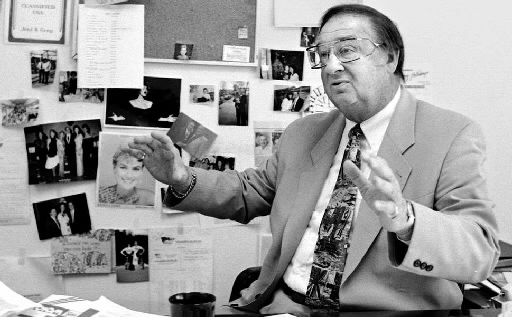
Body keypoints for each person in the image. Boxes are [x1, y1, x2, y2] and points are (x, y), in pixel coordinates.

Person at [128, 3, 499, 314]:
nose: (333, 65)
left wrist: (406, 220)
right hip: (282, 305)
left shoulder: (451, 134)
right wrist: (180, 177)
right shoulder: (306, 132)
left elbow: (480, 253)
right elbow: (249, 192)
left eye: (348, 49)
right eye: (323, 55)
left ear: (390, 56)